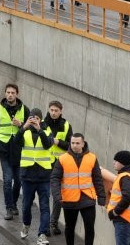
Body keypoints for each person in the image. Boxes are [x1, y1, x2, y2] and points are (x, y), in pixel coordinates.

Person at [52, 133, 106, 245]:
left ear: (83, 143)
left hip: (88, 199)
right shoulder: (62, 159)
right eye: (72, 143)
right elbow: (55, 178)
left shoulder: (92, 158)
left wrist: (101, 196)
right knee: (69, 228)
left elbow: (97, 179)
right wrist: (57, 196)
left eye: (77, 143)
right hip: (69, 199)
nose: (74, 145)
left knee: (90, 228)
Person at [18, 108, 55, 244]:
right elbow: (16, 142)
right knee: (26, 205)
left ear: (40, 119)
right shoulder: (25, 131)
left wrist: (39, 130)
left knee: (44, 206)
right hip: (27, 176)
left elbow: (47, 145)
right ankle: (26, 224)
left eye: (37, 118)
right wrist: (23, 127)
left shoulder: (46, 131)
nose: (34, 121)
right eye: (32, 118)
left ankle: (42, 234)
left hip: (43, 176)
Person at [0, 83, 28, 221]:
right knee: (7, 180)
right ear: (5, 93)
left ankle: (13, 203)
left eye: (13, 92)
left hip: (18, 150)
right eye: (8, 92)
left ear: (17, 94)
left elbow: (31, 129)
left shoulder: (24, 110)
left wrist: (22, 125)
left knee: (18, 181)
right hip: (4, 149)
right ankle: (9, 208)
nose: (10, 95)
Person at [44, 101, 74, 236]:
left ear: (61, 111)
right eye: (51, 110)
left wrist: (58, 142)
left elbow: (70, 146)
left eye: (56, 110)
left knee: (57, 196)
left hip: (61, 165)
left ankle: (53, 223)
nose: (53, 113)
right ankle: (46, 225)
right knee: (45, 196)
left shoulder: (67, 125)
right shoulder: (43, 124)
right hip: (44, 164)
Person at [107, 150, 130, 245]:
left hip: (123, 218)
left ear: (123, 163)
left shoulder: (125, 177)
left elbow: (128, 197)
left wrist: (115, 212)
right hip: (126, 218)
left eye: (116, 161)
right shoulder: (128, 176)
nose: (114, 163)